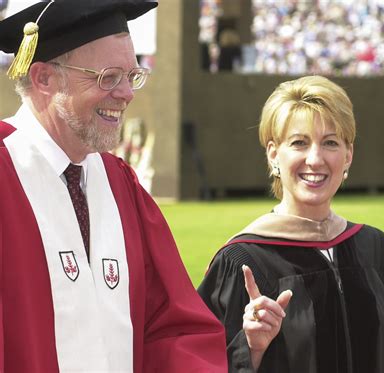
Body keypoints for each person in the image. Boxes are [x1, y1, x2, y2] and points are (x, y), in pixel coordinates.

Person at [0, 1, 227, 372]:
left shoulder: (119, 184)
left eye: (132, 75)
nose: (127, 93)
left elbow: (172, 327)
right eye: (108, 77)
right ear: (43, 78)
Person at [198, 75, 384, 373]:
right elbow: (198, 362)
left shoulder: (376, 250)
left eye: (330, 143)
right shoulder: (242, 262)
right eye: (299, 143)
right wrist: (251, 349)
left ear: (348, 156)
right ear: (273, 155)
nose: (315, 159)